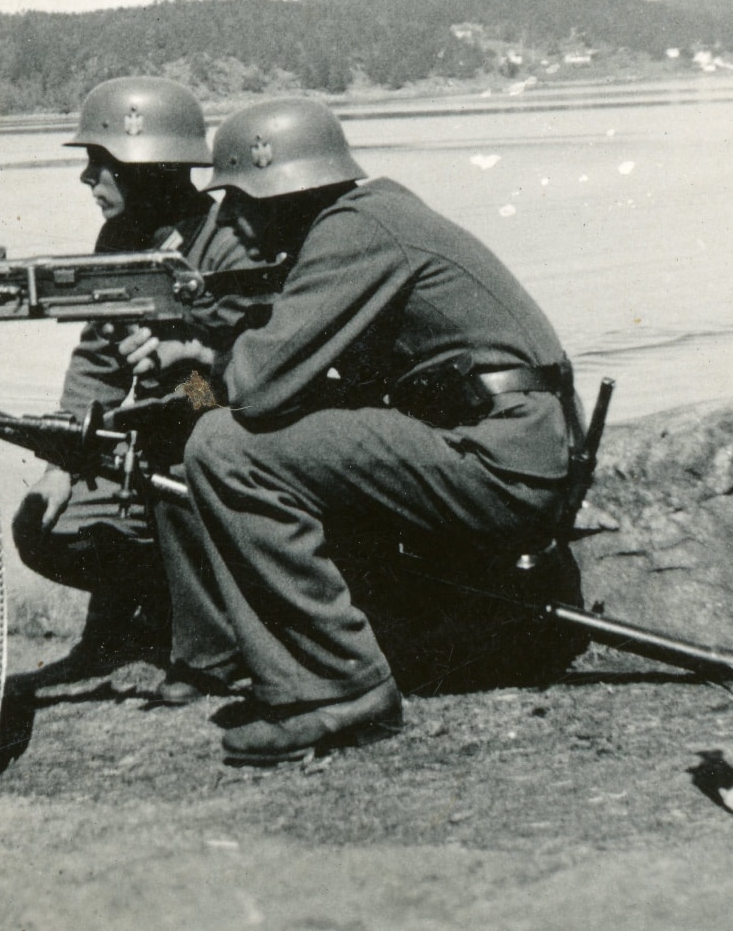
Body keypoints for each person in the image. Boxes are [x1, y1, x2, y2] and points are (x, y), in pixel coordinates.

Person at [161, 97, 581, 763]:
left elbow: (253, 394)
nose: (232, 220)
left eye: (241, 200)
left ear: (284, 189)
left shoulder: (353, 232)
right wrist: (202, 366)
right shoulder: (371, 218)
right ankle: (329, 657)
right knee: (237, 442)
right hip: (505, 448)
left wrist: (192, 364)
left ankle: (341, 687)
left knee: (222, 446)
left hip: (498, 461)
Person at [11, 76, 248, 678]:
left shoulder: (228, 244)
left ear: (148, 167)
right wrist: (60, 461)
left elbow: (249, 374)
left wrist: (186, 363)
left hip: (215, 413)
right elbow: (99, 355)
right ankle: (129, 626)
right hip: (157, 428)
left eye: (101, 164)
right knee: (44, 528)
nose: (88, 180)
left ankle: (206, 636)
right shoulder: (118, 241)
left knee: (185, 461)